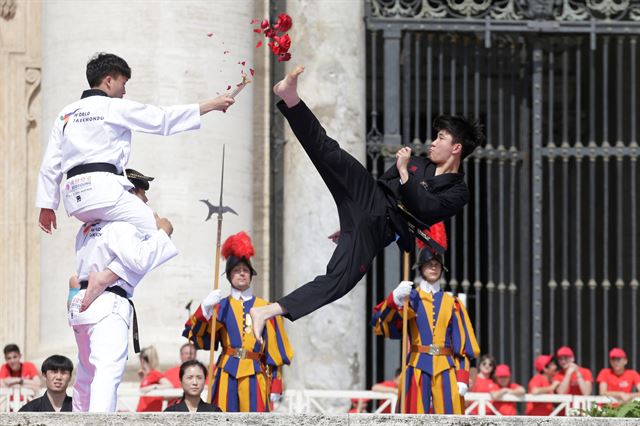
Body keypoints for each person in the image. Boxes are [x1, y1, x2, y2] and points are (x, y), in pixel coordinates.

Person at [250, 66, 483, 342]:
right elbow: (386, 183)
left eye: (440, 138)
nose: (432, 143)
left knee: (340, 280)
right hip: (367, 197)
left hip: (377, 229)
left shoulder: (458, 192)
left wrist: (405, 173)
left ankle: (268, 311)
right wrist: (349, 219)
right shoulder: (419, 163)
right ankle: (291, 100)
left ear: (456, 148)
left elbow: (427, 208)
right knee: (329, 152)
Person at [36, 52, 235, 309]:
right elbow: (162, 119)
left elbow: (51, 162)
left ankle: (82, 282)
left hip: (74, 200)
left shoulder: (66, 113)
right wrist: (212, 105)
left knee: (105, 237)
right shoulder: (112, 106)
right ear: (109, 81)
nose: (124, 92)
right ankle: (106, 278)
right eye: (123, 84)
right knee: (158, 234)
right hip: (104, 191)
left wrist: (46, 205)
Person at [69, 169, 178, 412]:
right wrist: (164, 234)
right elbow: (140, 260)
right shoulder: (121, 226)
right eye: (141, 194)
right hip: (108, 304)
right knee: (107, 372)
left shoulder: (87, 228)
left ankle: (78, 418)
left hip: (84, 303)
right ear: (129, 194)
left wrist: (109, 273)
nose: (146, 201)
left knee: (86, 374)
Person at [371, 225, 480, 414]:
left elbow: (463, 346)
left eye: (437, 264)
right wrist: (394, 299)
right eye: (429, 263)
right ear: (420, 267)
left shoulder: (452, 303)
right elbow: (383, 325)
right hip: (416, 365)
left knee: (450, 416)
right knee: (411, 415)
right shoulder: (410, 298)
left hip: (446, 367)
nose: (433, 267)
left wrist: (462, 375)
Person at [182, 231, 293, 412]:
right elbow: (198, 338)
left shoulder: (266, 307)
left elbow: (275, 350)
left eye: (245, 270)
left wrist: (276, 384)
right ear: (229, 276)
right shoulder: (220, 306)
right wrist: (204, 309)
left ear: (251, 275)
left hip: (255, 372)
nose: (241, 274)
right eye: (236, 270)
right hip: (226, 371)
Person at [136, 346, 173, 412]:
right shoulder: (148, 375)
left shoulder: (155, 373)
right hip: (143, 412)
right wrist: (143, 378)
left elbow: (169, 386)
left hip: (150, 413)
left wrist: (154, 387)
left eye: (142, 361)